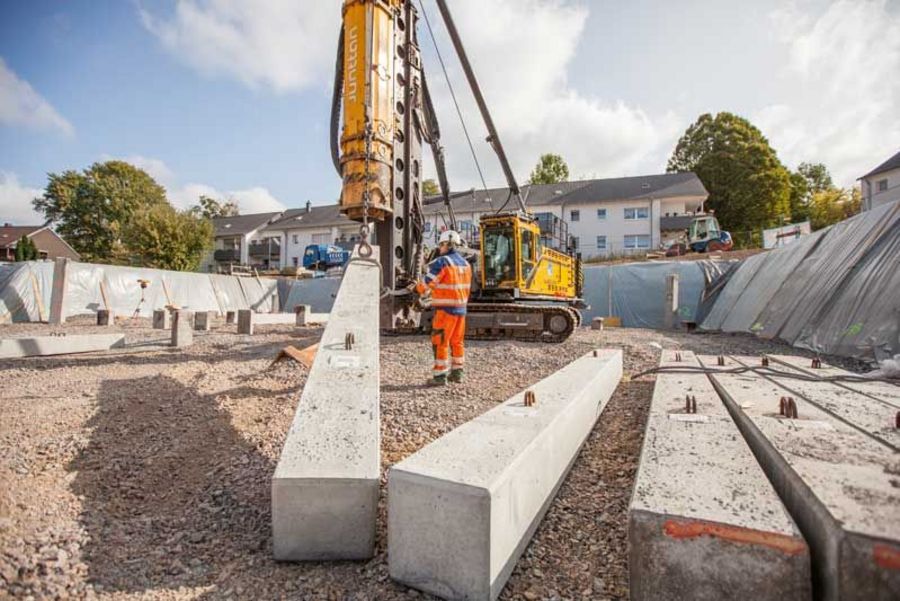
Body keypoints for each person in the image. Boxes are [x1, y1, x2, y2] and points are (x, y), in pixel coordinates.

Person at [413, 230, 472, 386]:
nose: (439, 248)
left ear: (447, 244)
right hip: (461, 310)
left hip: (446, 311)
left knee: (440, 342)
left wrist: (415, 289)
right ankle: (457, 373)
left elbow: (427, 283)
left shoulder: (443, 262)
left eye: (440, 244)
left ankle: (440, 376)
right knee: (457, 342)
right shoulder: (466, 264)